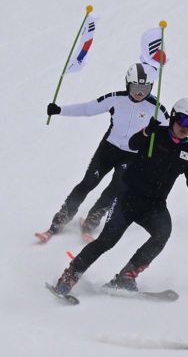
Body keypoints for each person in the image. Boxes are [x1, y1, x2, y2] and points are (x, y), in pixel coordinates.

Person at [51, 98, 188, 296]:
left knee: (162, 234)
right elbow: (133, 143)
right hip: (127, 199)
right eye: (184, 121)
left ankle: (126, 275)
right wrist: (146, 132)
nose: (187, 128)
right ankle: (71, 273)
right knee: (107, 241)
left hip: (154, 206)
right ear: (174, 117)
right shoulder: (155, 134)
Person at [37, 63, 169, 243]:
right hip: (108, 150)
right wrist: (59, 110)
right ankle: (59, 221)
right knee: (87, 183)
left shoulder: (156, 109)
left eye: (145, 88)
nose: (140, 92)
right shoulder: (115, 99)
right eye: (136, 87)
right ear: (127, 84)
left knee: (115, 190)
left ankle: (90, 223)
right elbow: (87, 109)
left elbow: (172, 133)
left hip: (133, 155)